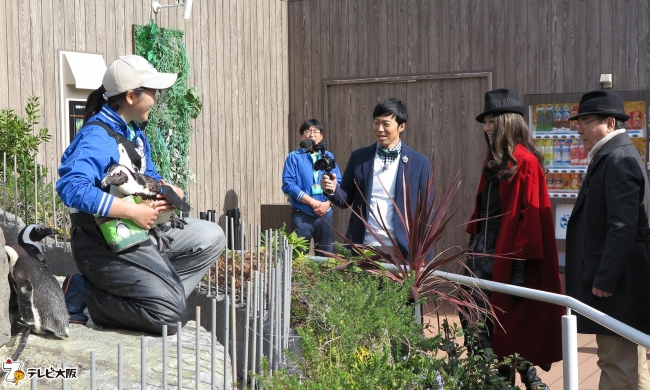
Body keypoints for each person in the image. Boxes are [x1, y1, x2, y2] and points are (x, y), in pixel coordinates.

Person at [56, 55, 226, 335]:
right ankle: (86, 293)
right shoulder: (97, 136)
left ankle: (153, 301)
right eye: (153, 92)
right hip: (104, 241)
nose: (156, 99)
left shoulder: (134, 132)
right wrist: (133, 211)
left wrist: (170, 191)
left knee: (211, 236)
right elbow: (71, 187)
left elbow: (152, 177)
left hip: (140, 231)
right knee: (169, 319)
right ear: (132, 96)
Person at [465, 88, 564, 389]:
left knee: (506, 322)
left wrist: (518, 270)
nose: (487, 127)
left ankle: (513, 379)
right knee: (472, 311)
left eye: (492, 120)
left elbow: (530, 219)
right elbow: (483, 208)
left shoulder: (525, 161)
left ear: (507, 120)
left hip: (510, 253)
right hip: (484, 249)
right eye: (484, 121)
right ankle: (510, 379)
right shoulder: (493, 158)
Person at [565, 90, 650, 389]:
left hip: (618, 287)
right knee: (629, 364)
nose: (579, 129)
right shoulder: (615, 155)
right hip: (621, 284)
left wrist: (605, 278)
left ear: (610, 123)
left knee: (616, 363)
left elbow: (623, 226)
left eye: (585, 121)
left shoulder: (618, 159)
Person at [319, 98, 432, 260]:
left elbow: (427, 210)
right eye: (376, 123)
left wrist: (426, 256)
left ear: (401, 126)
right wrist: (332, 189)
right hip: (362, 247)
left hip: (401, 250)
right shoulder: (359, 157)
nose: (380, 129)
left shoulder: (419, 163)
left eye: (386, 124)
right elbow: (345, 200)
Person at [281, 119, 342, 255]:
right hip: (302, 214)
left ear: (321, 136)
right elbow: (288, 184)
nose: (312, 134)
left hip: (325, 214)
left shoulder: (328, 156)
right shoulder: (294, 157)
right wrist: (313, 203)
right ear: (301, 136)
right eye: (307, 131)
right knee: (298, 257)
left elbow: (338, 181)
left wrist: (327, 204)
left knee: (325, 257)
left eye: (316, 131)